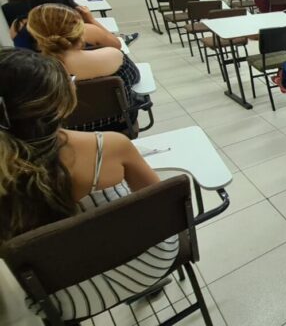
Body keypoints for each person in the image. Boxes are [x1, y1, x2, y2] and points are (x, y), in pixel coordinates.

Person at [0, 49, 176, 321]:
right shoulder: (109, 146)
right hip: (149, 264)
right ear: (60, 100)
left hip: (61, 300)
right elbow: (164, 208)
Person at [27, 4, 143, 131]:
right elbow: (135, 78)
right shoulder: (113, 56)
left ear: (36, 35)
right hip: (120, 125)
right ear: (80, 29)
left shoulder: (33, 76)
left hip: (70, 136)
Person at [13, 0, 121, 51]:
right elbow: (116, 45)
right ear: (66, 2)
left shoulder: (18, 25)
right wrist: (91, 20)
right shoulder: (84, 30)